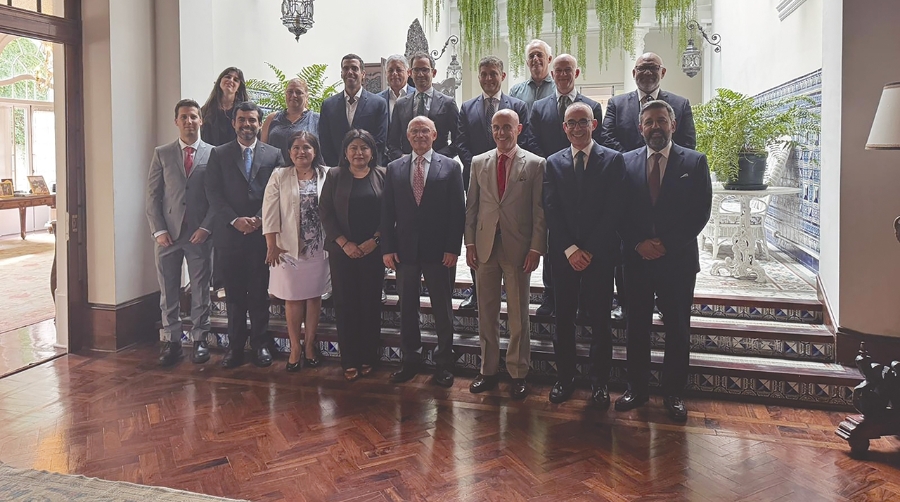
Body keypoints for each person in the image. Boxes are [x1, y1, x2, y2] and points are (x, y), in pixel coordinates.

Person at [615, 100, 711, 422]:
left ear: (672, 124)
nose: (655, 127)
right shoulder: (624, 163)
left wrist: (666, 244)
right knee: (636, 326)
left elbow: (701, 212)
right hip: (636, 259)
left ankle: (673, 393)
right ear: (640, 128)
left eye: (661, 120)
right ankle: (637, 388)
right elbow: (617, 211)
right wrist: (638, 243)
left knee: (677, 329)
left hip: (678, 261)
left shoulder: (695, 162)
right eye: (649, 122)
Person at [543, 102, 625, 406]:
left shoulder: (613, 160)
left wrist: (588, 248)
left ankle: (599, 382)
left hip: (599, 256)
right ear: (564, 128)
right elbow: (550, 209)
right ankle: (565, 379)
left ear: (594, 124)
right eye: (571, 123)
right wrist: (570, 249)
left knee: (600, 322)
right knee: (563, 320)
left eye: (583, 122)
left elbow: (614, 209)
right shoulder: (552, 162)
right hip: (563, 257)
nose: (577, 127)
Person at [464, 109, 545, 399]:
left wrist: (536, 247)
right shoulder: (478, 162)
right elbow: (471, 206)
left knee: (518, 315)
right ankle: (487, 370)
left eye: (507, 127)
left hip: (518, 248)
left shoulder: (535, 164)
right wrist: (469, 244)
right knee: (486, 312)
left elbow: (539, 211)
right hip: (485, 246)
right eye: (496, 127)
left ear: (518, 129)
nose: (501, 133)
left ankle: (518, 372)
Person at [381, 116, 465, 387]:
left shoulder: (451, 168)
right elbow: (387, 213)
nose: (419, 135)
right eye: (414, 131)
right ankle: (410, 360)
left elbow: (457, 213)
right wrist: (388, 248)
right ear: (407, 136)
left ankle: (443, 363)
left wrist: (453, 248)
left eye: (424, 131)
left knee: (442, 309)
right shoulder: (393, 168)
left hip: (439, 252)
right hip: (404, 252)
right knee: (407, 308)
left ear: (435, 134)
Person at [205, 101, 284, 368]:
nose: (247, 125)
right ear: (234, 123)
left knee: (259, 294)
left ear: (260, 124)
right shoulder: (219, 154)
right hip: (230, 237)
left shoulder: (274, 154)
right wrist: (234, 220)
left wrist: (261, 219)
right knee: (235, 296)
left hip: (262, 236)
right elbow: (213, 193)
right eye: (242, 120)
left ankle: (261, 344)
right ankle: (235, 347)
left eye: (252, 120)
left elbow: (279, 192)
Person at [456, 55, 536, 310]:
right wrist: (480, 169)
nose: (488, 78)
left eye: (493, 73)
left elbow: (526, 140)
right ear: (479, 77)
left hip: (513, 180)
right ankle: (478, 292)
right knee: (480, 233)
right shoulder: (467, 108)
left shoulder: (518, 105)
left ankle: (511, 291)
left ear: (502, 76)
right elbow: (461, 143)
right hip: (480, 180)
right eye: (484, 74)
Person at [529, 53, 604, 317]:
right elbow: (532, 140)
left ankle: (584, 299)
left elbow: (599, 142)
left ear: (577, 73)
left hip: (585, 180)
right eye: (558, 70)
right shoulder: (539, 107)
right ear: (552, 74)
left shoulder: (592, 106)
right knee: (554, 235)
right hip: (553, 176)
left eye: (567, 70)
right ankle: (551, 295)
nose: (562, 75)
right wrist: (551, 163)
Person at [146, 99, 214, 367]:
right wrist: (159, 230)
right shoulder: (162, 153)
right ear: (176, 121)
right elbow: (152, 196)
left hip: (199, 234)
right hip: (168, 237)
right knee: (169, 290)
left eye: (193, 117)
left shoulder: (212, 154)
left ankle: (199, 340)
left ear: (201, 121)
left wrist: (206, 227)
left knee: (200, 289)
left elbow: (216, 198)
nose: (189, 121)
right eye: (184, 117)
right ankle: (172, 342)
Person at [320, 129, 386, 381]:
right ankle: (349, 358)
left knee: (369, 304)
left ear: (372, 152)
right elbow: (325, 212)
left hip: (373, 251)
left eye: (364, 148)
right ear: (345, 153)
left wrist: (376, 240)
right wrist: (344, 243)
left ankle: (369, 356)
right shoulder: (335, 176)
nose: (359, 153)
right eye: (354, 148)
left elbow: (389, 213)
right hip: (342, 253)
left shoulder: (383, 175)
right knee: (345, 305)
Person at [262, 131, 329, 371]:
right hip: (286, 247)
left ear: (315, 151)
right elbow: (269, 210)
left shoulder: (326, 173)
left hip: (319, 247)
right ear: (289, 152)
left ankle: (310, 346)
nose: (302, 152)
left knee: (313, 297)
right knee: (292, 297)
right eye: (297, 147)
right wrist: (271, 244)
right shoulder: (279, 175)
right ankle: (295, 348)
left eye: (307, 147)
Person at [600, 52, 696, 153]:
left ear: (662, 72)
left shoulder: (681, 105)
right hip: (625, 166)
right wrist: (630, 160)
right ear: (634, 73)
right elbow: (607, 138)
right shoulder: (616, 104)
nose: (647, 72)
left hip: (669, 167)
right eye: (642, 68)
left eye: (653, 68)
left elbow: (688, 143)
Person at [386, 51, 459, 162]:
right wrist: (402, 158)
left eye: (425, 70)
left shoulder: (448, 103)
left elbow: (458, 140)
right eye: (416, 70)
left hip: (438, 167)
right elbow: (392, 141)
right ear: (410, 72)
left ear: (433, 73)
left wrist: (436, 158)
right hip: (408, 167)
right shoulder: (400, 104)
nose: (420, 74)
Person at [319, 54, 389, 166]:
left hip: (369, 169)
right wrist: (338, 167)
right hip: (339, 170)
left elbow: (380, 141)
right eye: (345, 68)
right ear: (341, 73)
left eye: (354, 68)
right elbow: (325, 142)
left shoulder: (378, 104)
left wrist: (362, 164)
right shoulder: (328, 105)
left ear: (363, 74)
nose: (350, 72)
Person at [260, 78, 320, 165]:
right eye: (290, 92)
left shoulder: (317, 119)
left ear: (307, 96)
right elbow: (262, 150)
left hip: (304, 174)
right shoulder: (272, 118)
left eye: (299, 92)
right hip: (274, 173)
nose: (294, 95)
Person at [200, 67, 251, 147]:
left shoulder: (243, 112)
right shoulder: (205, 110)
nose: (231, 80)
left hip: (235, 156)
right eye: (228, 77)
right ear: (220, 81)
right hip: (210, 156)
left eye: (236, 80)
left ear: (238, 87)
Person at [509, 39, 555, 113]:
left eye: (539, 55)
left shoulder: (558, 90)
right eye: (531, 56)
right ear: (527, 62)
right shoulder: (515, 92)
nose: (535, 59)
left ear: (549, 59)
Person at [378, 54, 416, 120]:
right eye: (391, 70)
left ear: (408, 73)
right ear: (386, 73)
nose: (394, 73)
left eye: (398, 70)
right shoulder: (378, 99)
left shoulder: (417, 96)